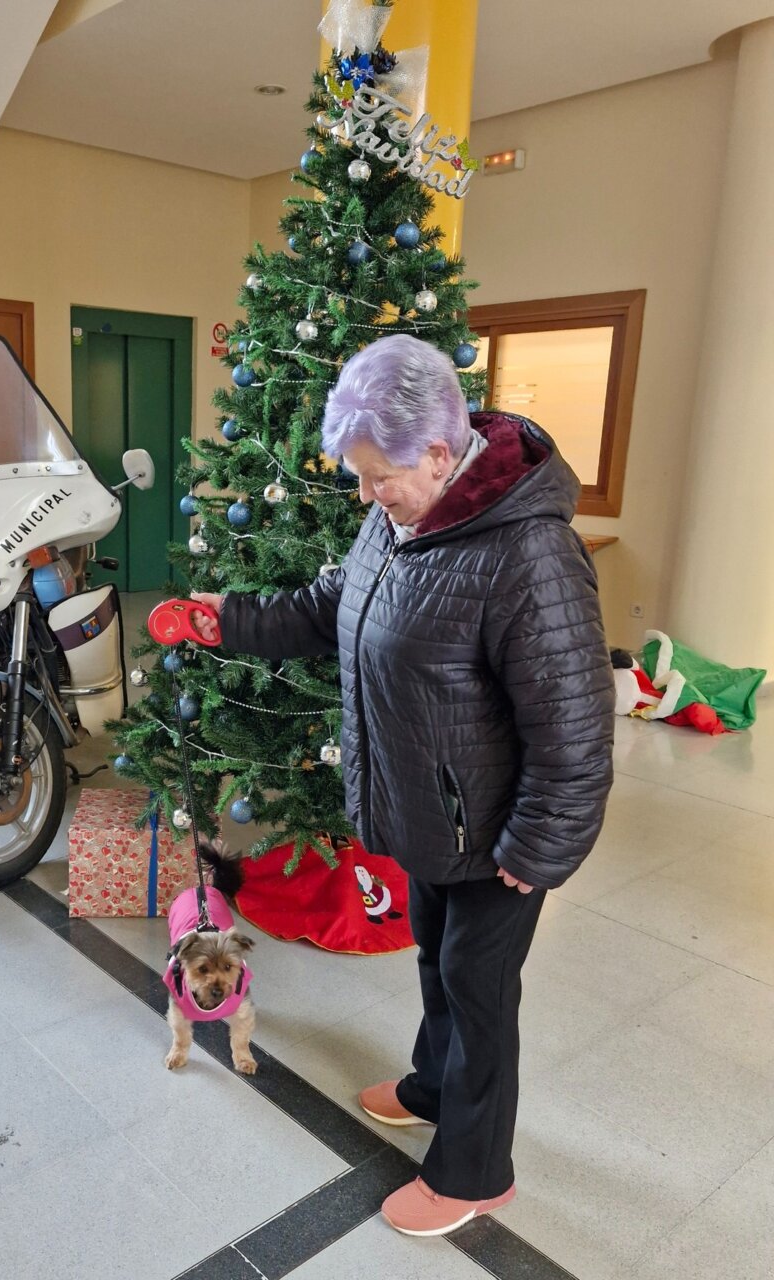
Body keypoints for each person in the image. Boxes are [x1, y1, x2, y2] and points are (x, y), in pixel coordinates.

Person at [189, 333, 614, 1237]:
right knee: (435, 957)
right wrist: (224, 620)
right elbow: (331, 605)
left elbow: (575, 731)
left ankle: (473, 1172)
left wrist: (536, 850)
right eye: (361, 476)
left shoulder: (530, 554)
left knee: (478, 991)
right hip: (431, 815)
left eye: (378, 474)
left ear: (436, 453)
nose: (365, 493)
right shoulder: (401, 517)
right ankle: (430, 1087)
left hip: (502, 838)